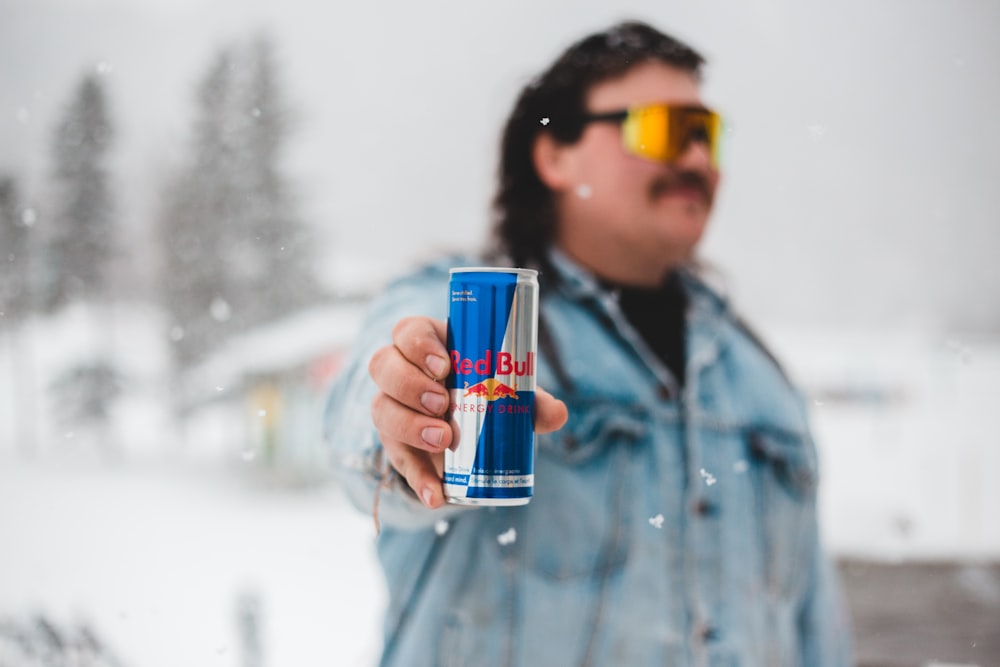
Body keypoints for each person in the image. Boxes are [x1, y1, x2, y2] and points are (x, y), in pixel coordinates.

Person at [324, 20, 853, 666]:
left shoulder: (757, 371)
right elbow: (367, 411)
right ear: (555, 155)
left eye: (705, 134)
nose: (694, 159)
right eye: (663, 129)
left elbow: (814, 626)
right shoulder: (470, 310)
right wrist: (406, 422)